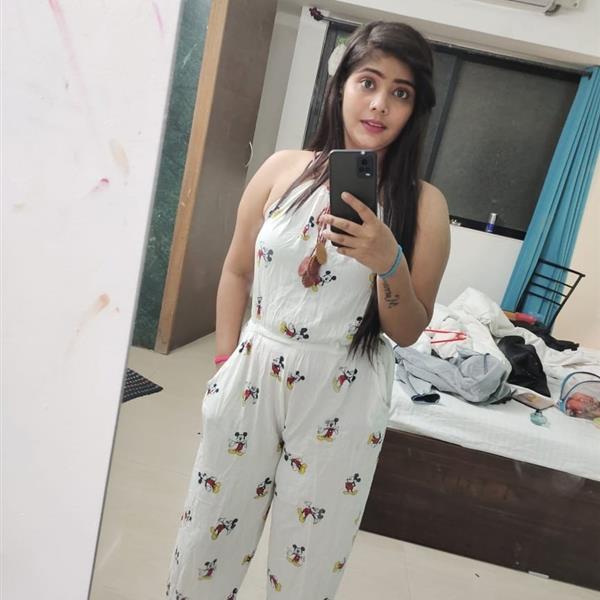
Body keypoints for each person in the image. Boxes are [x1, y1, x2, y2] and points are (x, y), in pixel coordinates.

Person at [166, 20, 450, 600]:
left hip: (344, 389)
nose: (380, 103)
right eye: (368, 82)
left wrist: (389, 262)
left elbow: (408, 330)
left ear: (415, 110)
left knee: (307, 568)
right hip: (253, 373)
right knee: (205, 544)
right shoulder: (281, 169)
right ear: (340, 85)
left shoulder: (424, 205)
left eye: (400, 92)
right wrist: (224, 364)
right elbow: (236, 270)